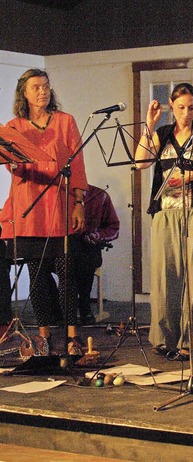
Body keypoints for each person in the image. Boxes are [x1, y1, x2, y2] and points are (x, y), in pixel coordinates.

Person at [135, 83, 193, 360]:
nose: (186, 113)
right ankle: (165, 338)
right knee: (166, 277)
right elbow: (140, 163)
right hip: (165, 212)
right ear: (171, 107)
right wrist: (149, 125)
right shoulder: (163, 134)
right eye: (180, 108)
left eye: (192, 107)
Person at [0, 69, 88, 355]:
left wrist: (78, 202)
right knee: (37, 276)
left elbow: (77, 165)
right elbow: (12, 167)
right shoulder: (14, 126)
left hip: (59, 205)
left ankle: (72, 337)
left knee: (67, 273)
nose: (43, 91)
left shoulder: (65, 122)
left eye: (46, 86)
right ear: (24, 93)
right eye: (36, 87)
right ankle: (43, 336)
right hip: (29, 208)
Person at [70, 185, 120, 325]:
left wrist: (96, 236)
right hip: (62, 247)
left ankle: (84, 306)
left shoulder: (99, 195)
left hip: (87, 248)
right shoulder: (59, 194)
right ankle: (58, 308)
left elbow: (113, 227)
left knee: (85, 258)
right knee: (40, 262)